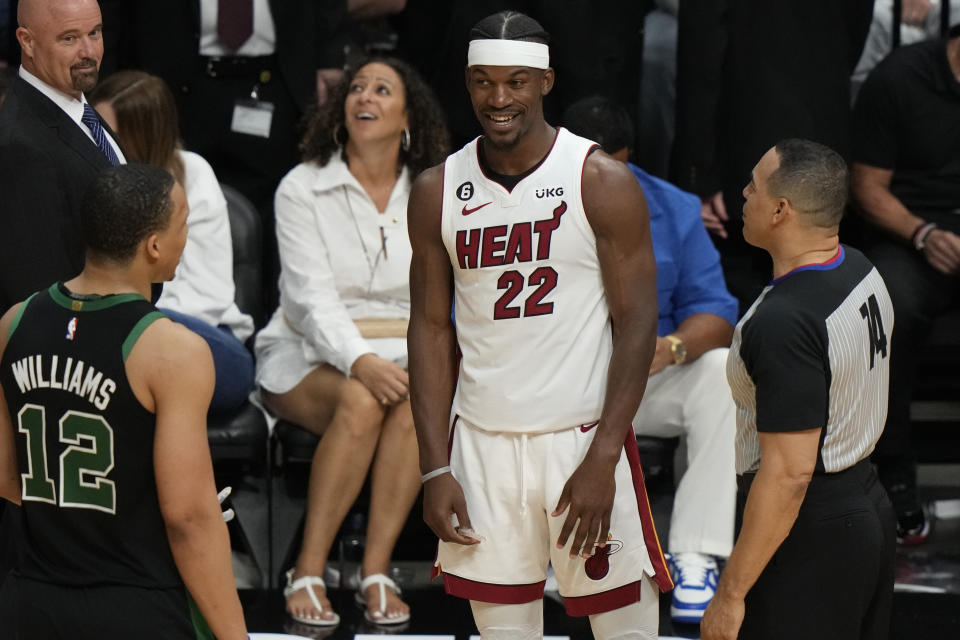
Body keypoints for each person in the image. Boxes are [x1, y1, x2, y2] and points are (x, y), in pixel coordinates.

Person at [407, 12, 673, 639]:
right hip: (482, 444)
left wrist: (604, 454)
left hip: (579, 438)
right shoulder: (435, 188)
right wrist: (434, 468)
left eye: (517, 81)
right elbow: (428, 330)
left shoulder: (600, 179)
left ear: (546, 81)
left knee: (626, 633)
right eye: (483, 82)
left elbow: (637, 324)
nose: (499, 99)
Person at [0, 164, 247, 639]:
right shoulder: (173, 350)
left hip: (30, 603)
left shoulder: (14, 322)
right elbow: (188, 519)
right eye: (183, 225)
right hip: (136, 604)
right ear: (154, 246)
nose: (186, 236)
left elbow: (8, 476)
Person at [255, 56, 449, 627]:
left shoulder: (435, 190)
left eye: (382, 89)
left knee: (419, 402)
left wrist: (408, 359)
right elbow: (309, 301)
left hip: (404, 352)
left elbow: (445, 296)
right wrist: (360, 360)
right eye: (356, 88)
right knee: (361, 399)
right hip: (305, 350)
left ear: (408, 115)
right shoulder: (302, 187)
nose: (364, 96)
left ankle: (375, 572)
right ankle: (308, 569)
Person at [700, 139, 896, 640]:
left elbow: (789, 474)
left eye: (754, 186)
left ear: (781, 210)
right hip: (866, 502)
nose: (744, 194)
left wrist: (729, 594)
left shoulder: (785, 323)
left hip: (812, 535)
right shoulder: (859, 266)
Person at [563, 96, 738, 626]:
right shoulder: (526, 200)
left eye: (608, 164)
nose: (594, 178)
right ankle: (547, 554)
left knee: (720, 373)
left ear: (628, 156)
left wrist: (673, 347)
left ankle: (694, 554)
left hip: (641, 379)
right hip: (553, 383)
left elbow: (716, 310)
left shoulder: (675, 206)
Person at [671, 0, 874, 314]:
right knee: (822, 296)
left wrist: (698, 173)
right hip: (822, 128)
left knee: (739, 306)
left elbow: (701, 58)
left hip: (740, 145)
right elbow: (856, 28)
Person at [850, 23, 960, 545]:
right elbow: (866, 187)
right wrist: (923, 233)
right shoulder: (900, 78)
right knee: (886, 303)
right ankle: (891, 465)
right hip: (910, 232)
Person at [89, 70, 256, 415]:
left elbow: (208, 296)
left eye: (111, 134)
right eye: (94, 129)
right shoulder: (93, 177)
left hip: (196, 327)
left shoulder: (192, 173)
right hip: (113, 325)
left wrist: (132, 316)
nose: (98, 142)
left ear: (144, 137)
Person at [0, 0, 126, 315]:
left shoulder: (80, 110)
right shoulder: (20, 145)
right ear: (26, 41)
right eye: (69, 38)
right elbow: (38, 294)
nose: (89, 52)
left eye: (95, 33)